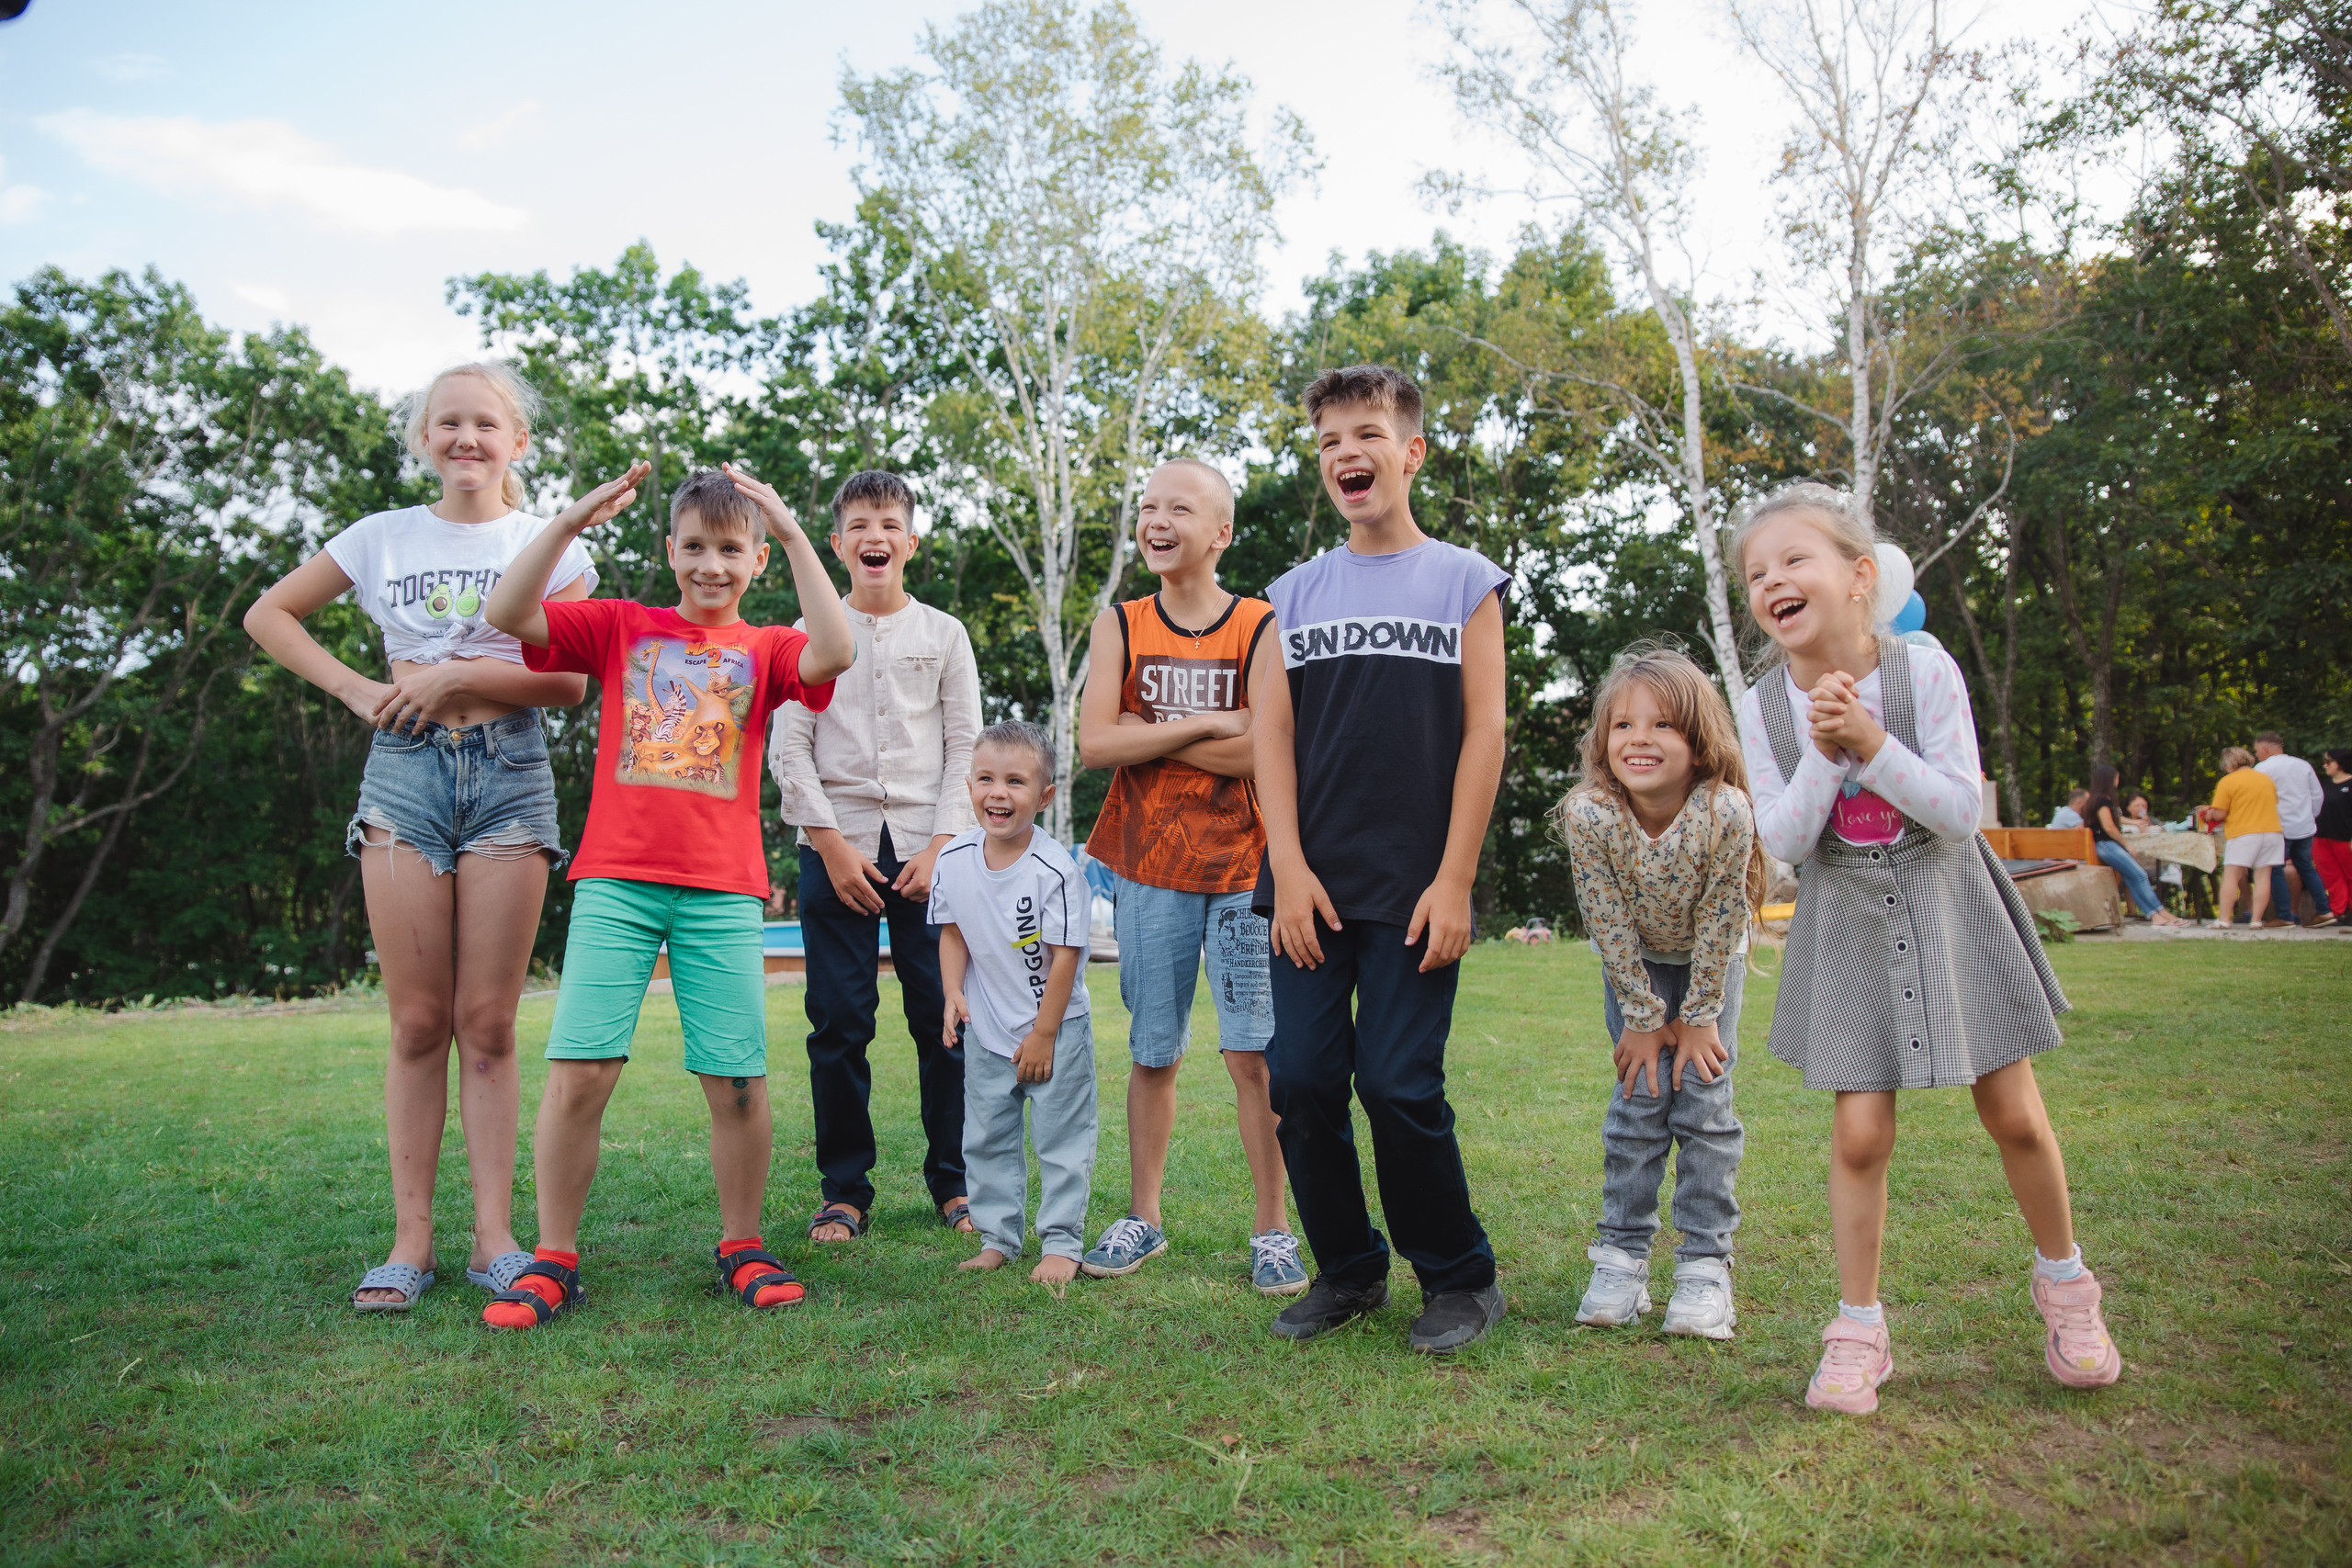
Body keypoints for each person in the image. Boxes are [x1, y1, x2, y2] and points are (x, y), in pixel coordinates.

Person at [1735, 480, 2121, 1416]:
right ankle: (1858, 1329)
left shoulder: (1924, 669)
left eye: (1793, 560)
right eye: (1754, 573)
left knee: (2015, 1114)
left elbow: (1958, 812)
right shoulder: (1759, 703)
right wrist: (1829, 751)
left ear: (1857, 577)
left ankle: (2067, 1290)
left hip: (1951, 904)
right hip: (1849, 919)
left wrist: (1868, 737)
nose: (1771, 581)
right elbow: (1784, 842)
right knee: (1860, 1132)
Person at [244, 362, 596, 1311]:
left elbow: (568, 685)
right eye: (447, 423)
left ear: (517, 442)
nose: (466, 439)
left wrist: (457, 683)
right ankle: (410, 1243)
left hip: (510, 776)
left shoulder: (547, 545)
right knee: (415, 1023)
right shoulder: (380, 537)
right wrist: (362, 690)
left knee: (487, 1020)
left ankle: (494, 1238)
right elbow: (268, 613)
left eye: (486, 424)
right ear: (423, 440)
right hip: (403, 774)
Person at [476, 463, 854, 1328]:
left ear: (756, 559)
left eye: (731, 549)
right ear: (670, 549)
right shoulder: (620, 627)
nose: (711, 565)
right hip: (615, 883)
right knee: (581, 1075)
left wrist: (794, 533)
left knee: (738, 1085)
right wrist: (570, 520)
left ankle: (743, 1245)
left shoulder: (767, 647)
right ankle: (554, 1258)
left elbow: (836, 651)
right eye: (694, 547)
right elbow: (507, 613)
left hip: (722, 892)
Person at [1252, 364, 1510, 1356]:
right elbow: (1271, 740)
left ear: (1410, 453)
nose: (1344, 454)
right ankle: (1349, 1269)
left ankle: (1459, 1277)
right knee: (1304, 1082)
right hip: (1307, 888)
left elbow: (1484, 734)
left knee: (1399, 1084)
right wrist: (1288, 866)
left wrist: (1453, 880)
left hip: (1416, 889)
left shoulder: (1464, 580)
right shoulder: (1293, 594)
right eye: (1326, 442)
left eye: (1364, 434)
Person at [1075, 459, 1303, 1295]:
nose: (1157, 519)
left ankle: (1273, 1230)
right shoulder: (1121, 624)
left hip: (1248, 866)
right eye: (1146, 507)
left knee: (1255, 1057)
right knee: (1152, 1049)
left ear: (1221, 532)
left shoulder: (1261, 625)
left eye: (1179, 507)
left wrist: (1153, 727)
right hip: (1150, 866)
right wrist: (1212, 719)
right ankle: (1145, 1216)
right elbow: (1095, 744)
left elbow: (1264, 748)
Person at [769, 471, 982, 1245]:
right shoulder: (806, 636)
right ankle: (845, 1189)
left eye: (890, 523)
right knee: (838, 1022)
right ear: (836, 544)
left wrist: (941, 843)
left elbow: (968, 743)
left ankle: (956, 1183)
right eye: (859, 524)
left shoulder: (945, 634)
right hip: (835, 845)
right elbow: (788, 749)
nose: (875, 537)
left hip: (934, 853)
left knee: (945, 1019)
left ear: (910, 542)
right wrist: (828, 843)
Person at [1553, 644, 1762, 1341]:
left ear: (1699, 742)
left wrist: (1698, 1018)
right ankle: (1622, 1258)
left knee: (1703, 1104)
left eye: (1663, 725)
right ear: (1603, 741)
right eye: (1623, 726)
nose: (1639, 739)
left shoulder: (1726, 810)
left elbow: (1721, 915)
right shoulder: (1589, 814)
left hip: (1710, 963)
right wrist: (1643, 1018)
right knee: (1640, 1100)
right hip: (1634, 965)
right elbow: (1606, 919)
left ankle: (1705, 1267)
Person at [930, 722, 1098, 1285]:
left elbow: (1066, 957)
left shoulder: (1056, 871)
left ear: (1044, 796)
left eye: (1015, 781)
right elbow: (952, 933)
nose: (997, 792)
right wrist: (953, 992)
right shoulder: (952, 859)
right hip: (987, 1029)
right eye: (985, 778)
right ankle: (998, 1236)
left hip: (1056, 1031)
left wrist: (1045, 1034)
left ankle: (1061, 1242)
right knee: (986, 1137)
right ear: (969, 786)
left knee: (1060, 1138)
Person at [2085, 765, 2183, 926]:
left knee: (2131, 877)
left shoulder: (2096, 799)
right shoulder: (2102, 800)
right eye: (2116, 778)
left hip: (2103, 844)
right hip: (2107, 844)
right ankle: (2161, 912)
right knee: (2140, 875)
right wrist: (2127, 845)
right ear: (2109, 780)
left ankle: (2155, 916)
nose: (2118, 781)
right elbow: (2108, 826)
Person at [2254, 733, 2335, 927]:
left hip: (2277, 826)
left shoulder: (2262, 769)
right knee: (2306, 867)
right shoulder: (2303, 765)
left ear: (2266, 749)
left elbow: (2256, 799)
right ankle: (2325, 910)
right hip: (2304, 826)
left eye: (2257, 751)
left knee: (2275, 869)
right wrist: (2309, 816)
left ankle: (2284, 915)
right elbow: (2317, 795)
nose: (2256, 755)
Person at [2201, 748, 2284, 929]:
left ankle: (2223, 919)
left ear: (2229, 764)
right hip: (2272, 832)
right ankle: (2256, 920)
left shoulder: (2228, 782)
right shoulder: (2265, 779)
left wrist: (2210, 814)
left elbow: (2221, 812)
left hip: (2244, 832)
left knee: (2231, 875)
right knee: (2263, 876)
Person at [2316, 750, 2352, 923]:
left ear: (2340, 763)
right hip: (2321, 837)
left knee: (2350, 874)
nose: (2325, 765)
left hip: (2344, 838)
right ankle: (2338, 911)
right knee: (2330, 875)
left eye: (2329, 761)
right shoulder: (2325, 785)